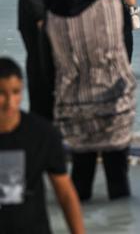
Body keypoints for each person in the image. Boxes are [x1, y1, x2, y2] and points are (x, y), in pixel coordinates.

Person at [45, 0, 135, 201]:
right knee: (118, 179)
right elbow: (124, 53)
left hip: (73, 102)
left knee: (81, 174)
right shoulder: (114, 8)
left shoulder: (54, 15)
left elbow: (48, 62)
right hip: (113, 99)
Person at [0, 58, 85, 234]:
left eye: (16, 92)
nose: (10, 102)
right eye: (1, 93)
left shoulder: (42, 135)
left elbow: (65, 195)